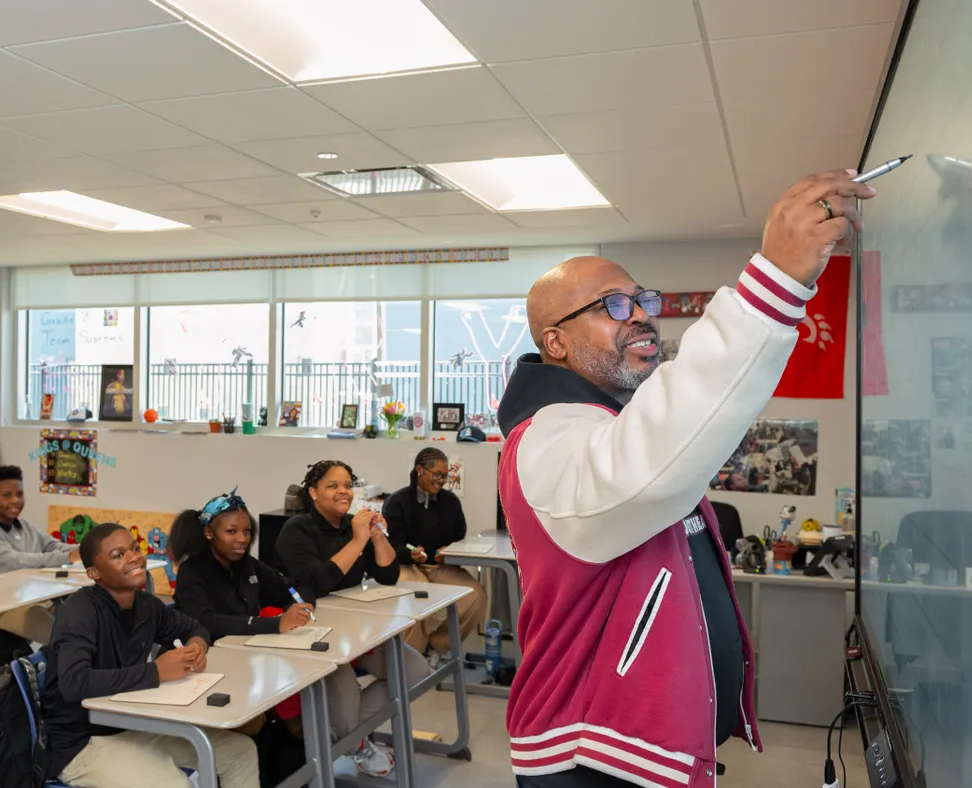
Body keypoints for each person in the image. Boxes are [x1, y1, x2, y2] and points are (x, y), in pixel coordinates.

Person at [494, 170, 876, 787]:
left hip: (643, 747)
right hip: (589, 754)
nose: (642, 317)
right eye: (613, 305)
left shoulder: (607, 422)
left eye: (643, 301)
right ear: (555, 343)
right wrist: (775, 283)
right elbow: (645, 467)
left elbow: (672, 434)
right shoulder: (546, 436)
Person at [43, 522, 259, 788]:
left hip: (130, 725)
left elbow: (195, 628)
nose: (134, 557)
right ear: (94, 573)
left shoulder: (145, 604)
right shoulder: (80, 611)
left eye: (135, 548)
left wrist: (196, 646)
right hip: (81, 743)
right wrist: (156, 672)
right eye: (118, 555)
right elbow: (73, 682)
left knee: (240, 752)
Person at [169, 488, 344, 782]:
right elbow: (206, 622)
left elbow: (292, 587)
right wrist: (274, 623)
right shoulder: (192, 572)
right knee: (266, 722)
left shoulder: (248, 566)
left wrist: (301, 602)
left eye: (247, 531)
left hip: (249, 664)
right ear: (209, 533)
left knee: (292, 712)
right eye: (231, 531)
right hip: (212, 670)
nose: (242, 539)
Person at [274, 460, 429, 776]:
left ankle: (345, 734)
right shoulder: (297, 530)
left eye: (347, 485)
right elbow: (319, 582)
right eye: (332, 485)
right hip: (316, 634)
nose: (343, 491)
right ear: (313, 492)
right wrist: (358, 541)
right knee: (344, 688)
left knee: (416, 671)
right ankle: (354, 739)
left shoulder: (351, 525)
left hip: (356, 627)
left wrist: (376, 536)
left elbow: (387, 575)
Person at [382, 447, 488, 658]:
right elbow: (389, 545)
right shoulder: (397, 501)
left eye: (445, 476)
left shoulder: (450, 501)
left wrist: (449, 551)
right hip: (407, 565)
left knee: (476, 596)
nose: (441, 481)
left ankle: (437, 646)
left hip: (440, 566)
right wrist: (409, 554)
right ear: (419, 470)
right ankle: (412, 658)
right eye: (437, 475)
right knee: (420, 596)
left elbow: (460, 535)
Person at [0, 465, 77, 643]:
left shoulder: (25, 526)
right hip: (5, 608)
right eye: (7, 495)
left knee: (85, 616)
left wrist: (90, 548)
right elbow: (15, 563)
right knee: (65, 638)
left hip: (38, 599)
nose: (16, 500)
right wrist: (68, 557)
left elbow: (54, 546)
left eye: (19, 494)